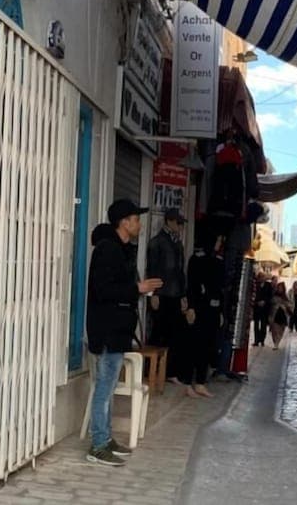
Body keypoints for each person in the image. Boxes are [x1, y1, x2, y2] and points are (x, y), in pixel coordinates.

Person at [86, 199, 162, 467]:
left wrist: (140, 290)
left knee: (108, 389)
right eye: (136, 219)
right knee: (104, 390)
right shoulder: (107, 250)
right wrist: (137, 289)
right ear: (124, 222)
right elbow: (103, 290)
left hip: (118, 330)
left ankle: (106, 439)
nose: (140, 224)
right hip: (107, 330)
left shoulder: (122, 249)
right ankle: (98, 445)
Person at [146, 207, 187, 381]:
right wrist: (153, 293)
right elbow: (152, 269)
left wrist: (183, 295)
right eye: (178, 222)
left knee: (174, 333)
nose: (180, 226)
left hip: (174, 294)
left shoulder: (177, 243)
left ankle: (169, 371)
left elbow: (180, 271)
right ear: (169, 221)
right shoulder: (157, 242)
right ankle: (151, 370)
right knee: (158, 332)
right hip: (162, 293)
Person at [182, 235, 224, 397]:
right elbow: (192, 286)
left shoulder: (218, 261)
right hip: (199, 309)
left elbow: (220, 289)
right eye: (217, 240)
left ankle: (200, 382)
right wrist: (191, 307)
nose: (219, 243)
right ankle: (187, 383)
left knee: (208, 347)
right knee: (193, 346)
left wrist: (220, 311)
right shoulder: (197, 259)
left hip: (213, 311)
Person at [268, 282, 292, 350]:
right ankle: (275, 343)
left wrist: (284, 305)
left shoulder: (285, 296)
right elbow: (270, 303)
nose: (280, 289)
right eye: (279, 287)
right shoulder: (273, 295)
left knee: (281, 329)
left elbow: (289, 304)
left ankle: (277, 343)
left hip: (283, 315)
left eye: (281, 288)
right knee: (274, 330)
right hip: (274, 314)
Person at [252, 274, 273, 346]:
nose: (262, 278)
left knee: (263, 325)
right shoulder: (255, 285)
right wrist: (257, 302)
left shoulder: (268, 285)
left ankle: (262, 340)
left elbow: (270, 295)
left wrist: (264, 301)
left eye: (263, 277)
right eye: (261, 277)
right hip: (257, 307)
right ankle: (256, 340)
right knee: (256, 325)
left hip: (265, 308)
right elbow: (253, 294)